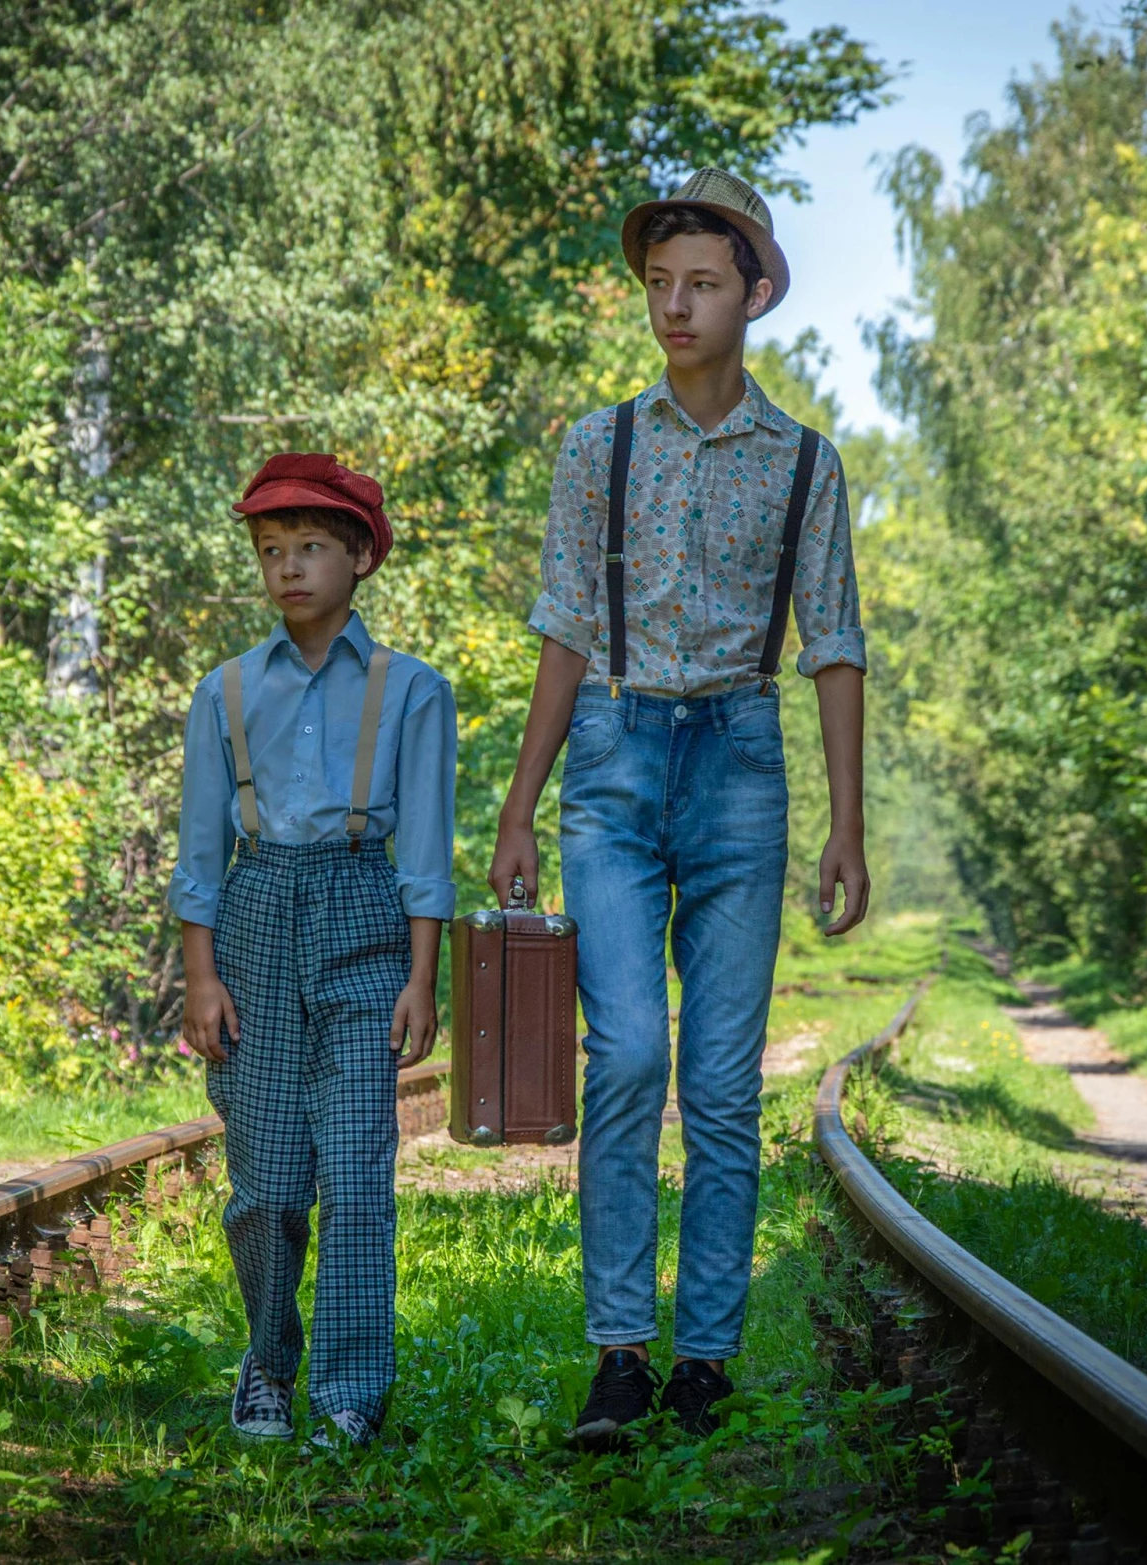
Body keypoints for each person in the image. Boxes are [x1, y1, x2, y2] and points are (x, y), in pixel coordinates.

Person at [489, 169, 870, 1446]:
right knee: (629, 1060)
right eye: (658, 284)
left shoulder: (806, 463)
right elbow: (561, 628)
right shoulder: (598, 445)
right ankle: (617, 1352)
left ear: (753, 293)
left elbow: (834, 644)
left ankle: (703, 1355)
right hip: (610, 754)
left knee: (713, 1080)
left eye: (700, 283)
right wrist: (517, 806)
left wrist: (847, 825)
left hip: (739, 766)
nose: (675, 305)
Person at [170, 453, 458, 1449]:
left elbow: (421, 847)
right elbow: (200, 845)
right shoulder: (226, 689)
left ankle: (348, 1387)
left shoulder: (412, 690)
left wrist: (422, 976)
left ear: (359, 558)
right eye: (270, 551)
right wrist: (200, 974)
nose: (288, 568)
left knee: (357, 1173)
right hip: (253, 918)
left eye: (310, 548)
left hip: (363, 912)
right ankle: (266, 1364)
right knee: (265, 1184)